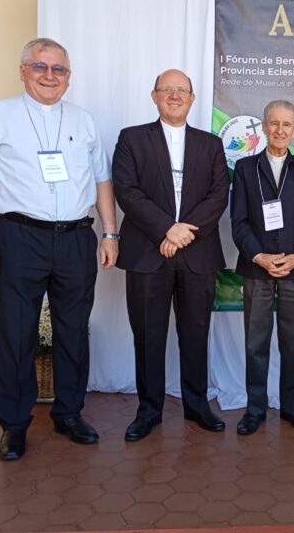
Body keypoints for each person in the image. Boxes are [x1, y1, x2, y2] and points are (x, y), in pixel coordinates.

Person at [0, 38, 119, 461]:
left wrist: (110, 233)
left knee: (73, 330)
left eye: (58, 69)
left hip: (75, 238)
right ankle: (13, 424)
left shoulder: (83, 121)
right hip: (18, 237)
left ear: (69, 76)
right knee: (16, 332)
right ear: (22, 69)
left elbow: (102, 181)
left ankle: (68, 412)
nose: (49, 75)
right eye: (40, 66)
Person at [113, 69, 230, 441]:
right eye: (168, 89)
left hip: (197, 255)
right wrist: (167, 228)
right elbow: (127, 191)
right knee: (148, 335)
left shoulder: (210, 144)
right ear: (154, 96)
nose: (175, 95)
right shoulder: (132, 139)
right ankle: (149, 411)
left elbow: (218, 195)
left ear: (192, 99)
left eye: (182, 90)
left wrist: (181, 234)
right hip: (148, 253)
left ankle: (197, 406)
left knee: (195, 333)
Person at [231, 100, 294, 436]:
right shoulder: (245, 168)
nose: (280, 130)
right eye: (274, 123)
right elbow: (238, 221)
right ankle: (255, 408)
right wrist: (260, 257)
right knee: (256, 342)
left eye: (287, 125)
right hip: (257, 268)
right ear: (264, 127)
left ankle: (293, 408)